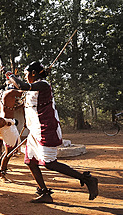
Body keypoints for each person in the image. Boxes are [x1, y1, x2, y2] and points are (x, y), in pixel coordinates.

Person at [5, 61, 98, 203]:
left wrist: (10, 75)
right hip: (35, 130)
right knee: (30, 162)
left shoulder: (43, 85)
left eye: (26, 74)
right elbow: (21, 90)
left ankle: (87, 180)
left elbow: (23, 86)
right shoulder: (32, 88)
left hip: (46, 128)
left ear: (34, 73)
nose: (25, 77)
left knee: (50, 163)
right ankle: (45, 193)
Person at [0, 86, 24, 182]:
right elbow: (23, 92)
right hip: (5, 124)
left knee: (12, 148)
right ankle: (1, 173)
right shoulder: (10, 93)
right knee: (10, 151)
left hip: (7, 123)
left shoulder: (1, 96)